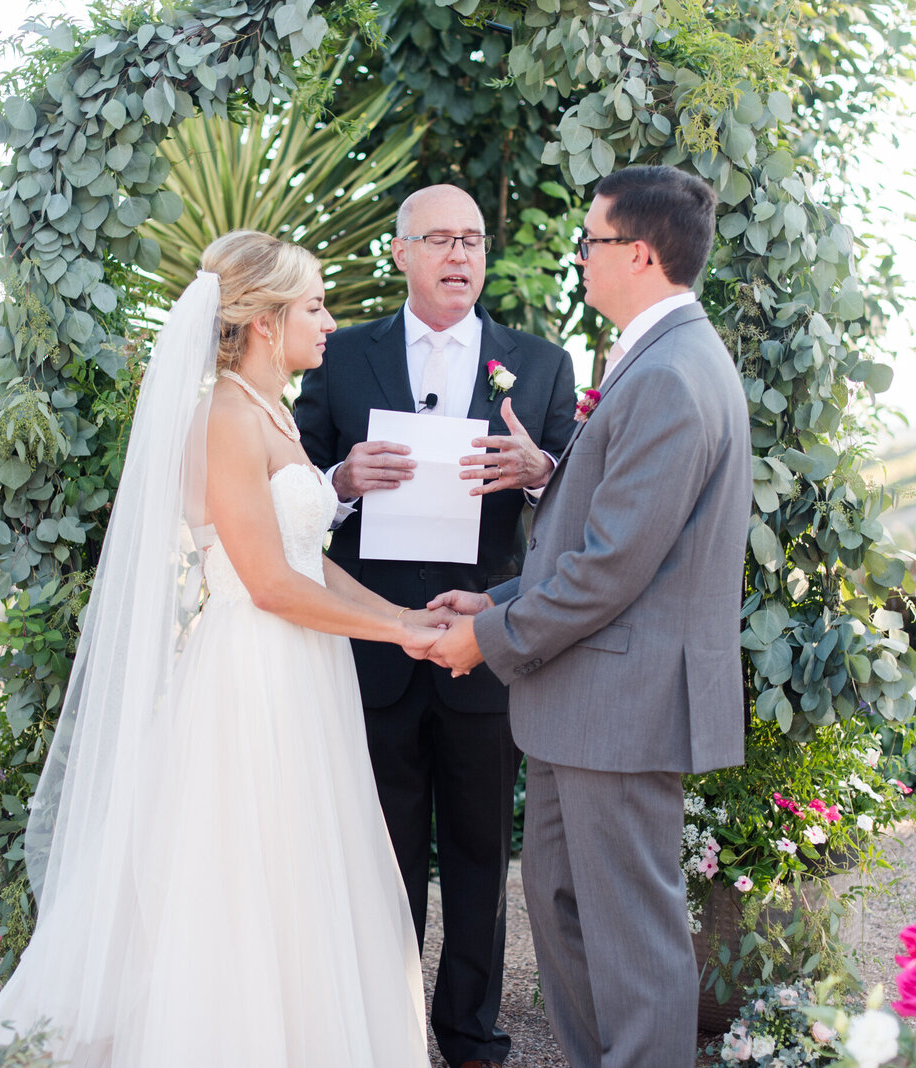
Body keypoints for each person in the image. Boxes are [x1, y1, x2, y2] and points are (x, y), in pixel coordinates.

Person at [0, 231, 447, 1067]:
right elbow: (267, 583)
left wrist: (409, 620)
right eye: (314, 305)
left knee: (301, 878)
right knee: (242, 878)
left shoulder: (271, 412)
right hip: (252, 674)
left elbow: (312, 562)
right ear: (267, 322)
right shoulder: (225, 417)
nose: (330, 322)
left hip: (302, 670)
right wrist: (398, 630)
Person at [428, 165, 750, 1068]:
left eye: (590, 241)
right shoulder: (648, 360)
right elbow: (596, 534)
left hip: (625, 700)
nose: (580, 257)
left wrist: (486, 638)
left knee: (632, 939)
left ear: (638, 254)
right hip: (588, 700)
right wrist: (494, 598)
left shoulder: (673, 375)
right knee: (564, 911)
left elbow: (611, 568)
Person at [293, 185, 576, 1068]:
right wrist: (343, 478)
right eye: (442, 240)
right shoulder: (344, 357)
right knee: (383, 853)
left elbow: (582, 509)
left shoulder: (538, 361)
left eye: (474, 240)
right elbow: (288, 476)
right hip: (376, 641)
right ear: (401, 251)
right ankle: (385, 1028)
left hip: (487, 645)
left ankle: (471, 1033)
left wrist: (539, 471)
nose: (461, 255)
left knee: (483, 852)